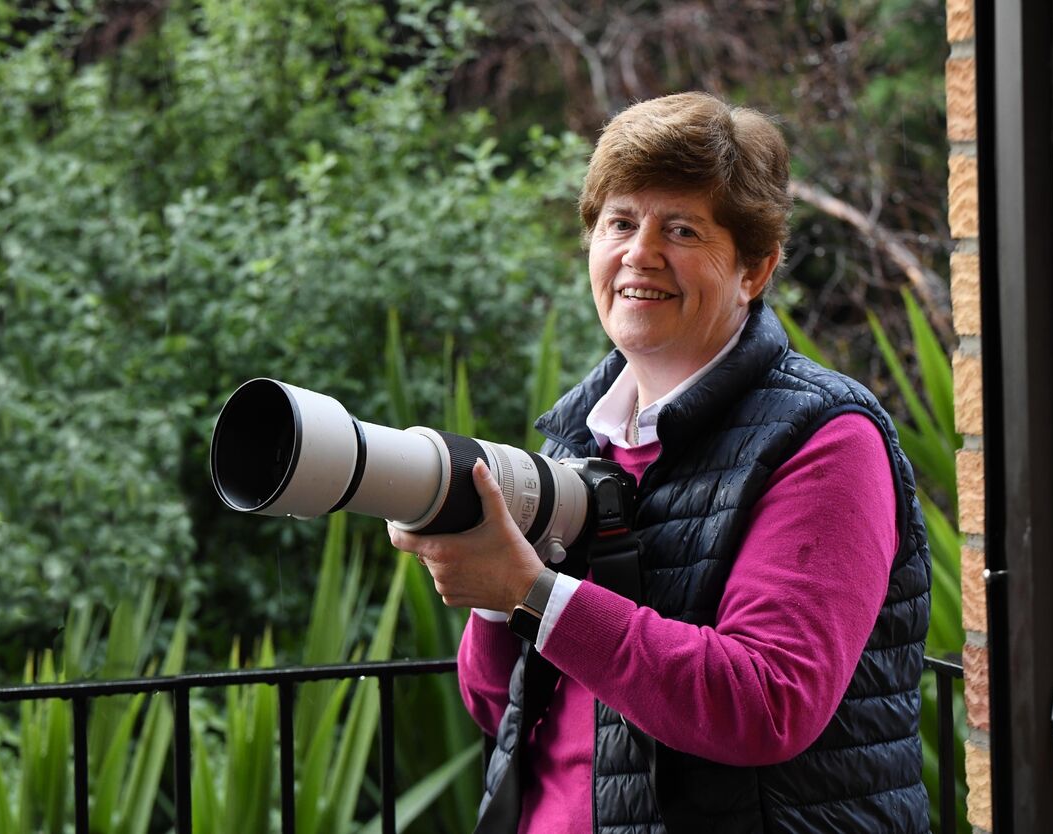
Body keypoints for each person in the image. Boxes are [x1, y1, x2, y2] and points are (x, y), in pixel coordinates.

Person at [388, 92, 931, 834]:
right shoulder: (577, 440)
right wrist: (489, 583)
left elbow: (767, 704)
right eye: (619, 223)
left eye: (681, 229)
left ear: (754, 268)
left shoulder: (827, 439)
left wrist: (530, 590)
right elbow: (495, 706)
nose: (639, 253)